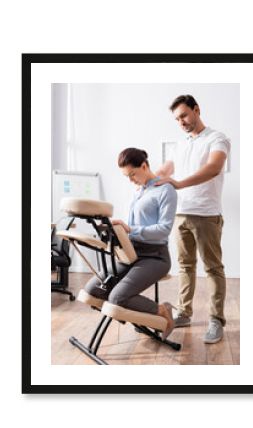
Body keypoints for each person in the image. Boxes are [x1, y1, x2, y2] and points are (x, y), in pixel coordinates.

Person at [156, 94, 231, 343]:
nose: (181, 122)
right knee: (185, 266)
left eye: (184, 115)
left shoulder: (217, 138)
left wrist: (178, 183)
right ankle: (184, 312)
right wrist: (149, 180)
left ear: (197, 110)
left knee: (212, 268)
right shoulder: (181, 144)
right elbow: (166, 170)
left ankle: (216, 321)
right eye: (177, 119)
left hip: (207, 214)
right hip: (181, 214)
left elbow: (214, 168)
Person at [85, 147, 178, 340]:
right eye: (126, 176)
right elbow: (131, 227)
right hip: (130, 253)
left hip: (155, 257)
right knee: (93, 289)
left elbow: (164, 229)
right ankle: (138, 316)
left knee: (117, 297)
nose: (131, 180)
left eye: (133, 174)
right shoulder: (139, 192)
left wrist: (131, 229)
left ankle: (162, 310)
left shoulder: (165, 190)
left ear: (144, 166)